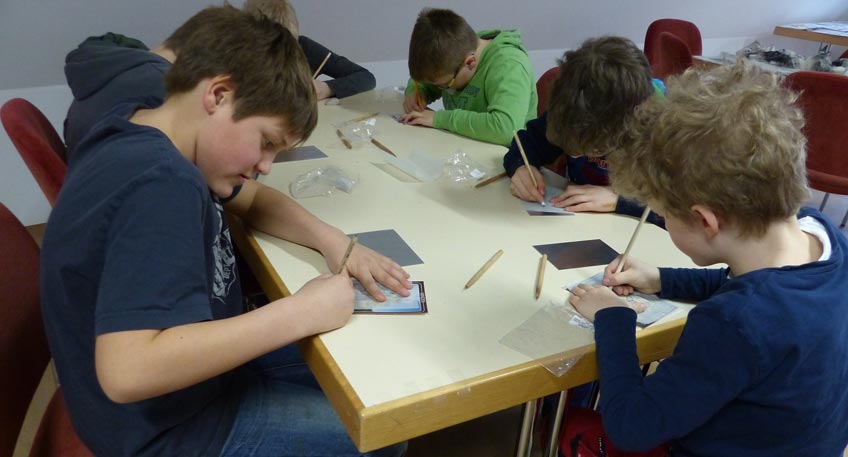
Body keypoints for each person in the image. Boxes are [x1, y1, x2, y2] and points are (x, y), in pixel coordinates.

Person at [41, 6, 409, 456]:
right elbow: (127, 371)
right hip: (166, 431)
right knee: (382, 438)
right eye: (267, 142)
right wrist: (301, 312)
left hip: (191, 386)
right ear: (218, 95)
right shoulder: (160, 182)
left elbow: (255, 200)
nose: (266, 166)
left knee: (365, 374)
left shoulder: (150, 132)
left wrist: (338, 243)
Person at [568, 63, 848, 456]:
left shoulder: (733, 323)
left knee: (571, 432)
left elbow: (632, 428)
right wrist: (663, 278)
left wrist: (613, 317)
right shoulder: (823, 236)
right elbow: (755, 290)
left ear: (704, 220)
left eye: (662, 213)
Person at [504, 36, 663, 224]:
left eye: (595, 149)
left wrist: (619, 201)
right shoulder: (573, 111)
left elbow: (685, 215)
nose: (575, 155)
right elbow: (527, 142)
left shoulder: (662, 135)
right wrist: (522, 167)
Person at [399, 8, 537, 147]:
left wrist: (441, 119)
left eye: (444, 85)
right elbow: (431, 78)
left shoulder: (509, 65)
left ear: (470, 62)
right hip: (466, 149)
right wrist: (417, 91)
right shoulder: (455, 51)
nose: (439, 88)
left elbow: (506, 129)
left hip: (509, 160)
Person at [243, 0, 376, 101]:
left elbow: (366, 78)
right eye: (271, 48)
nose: (281, 54)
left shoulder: (305, 48)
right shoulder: (236, 55)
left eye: (288, 46)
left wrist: (326, 88)